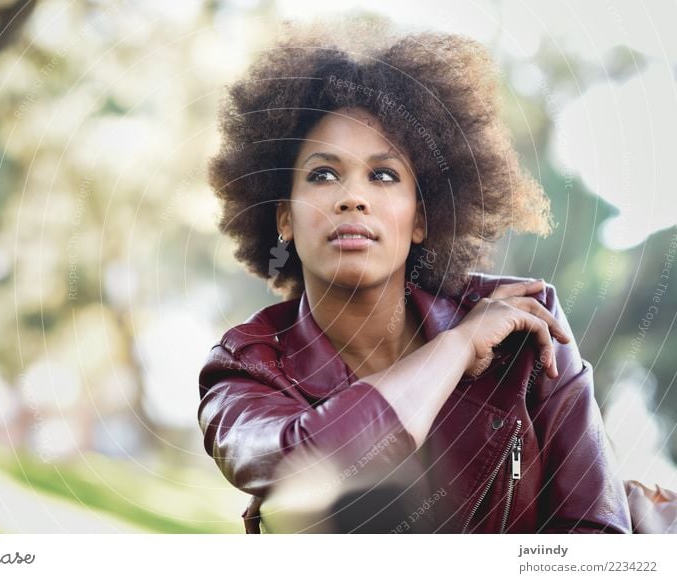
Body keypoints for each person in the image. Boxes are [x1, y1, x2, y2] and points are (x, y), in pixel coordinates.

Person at [197, 18, 637, 533]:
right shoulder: (248, 368)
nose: (352, 197)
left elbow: (595, 536)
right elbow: (307, 465)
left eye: (383, 175)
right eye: (322, 174)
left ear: (422, 218)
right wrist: (454, 348)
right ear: (284, 219)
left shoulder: (526, 325)